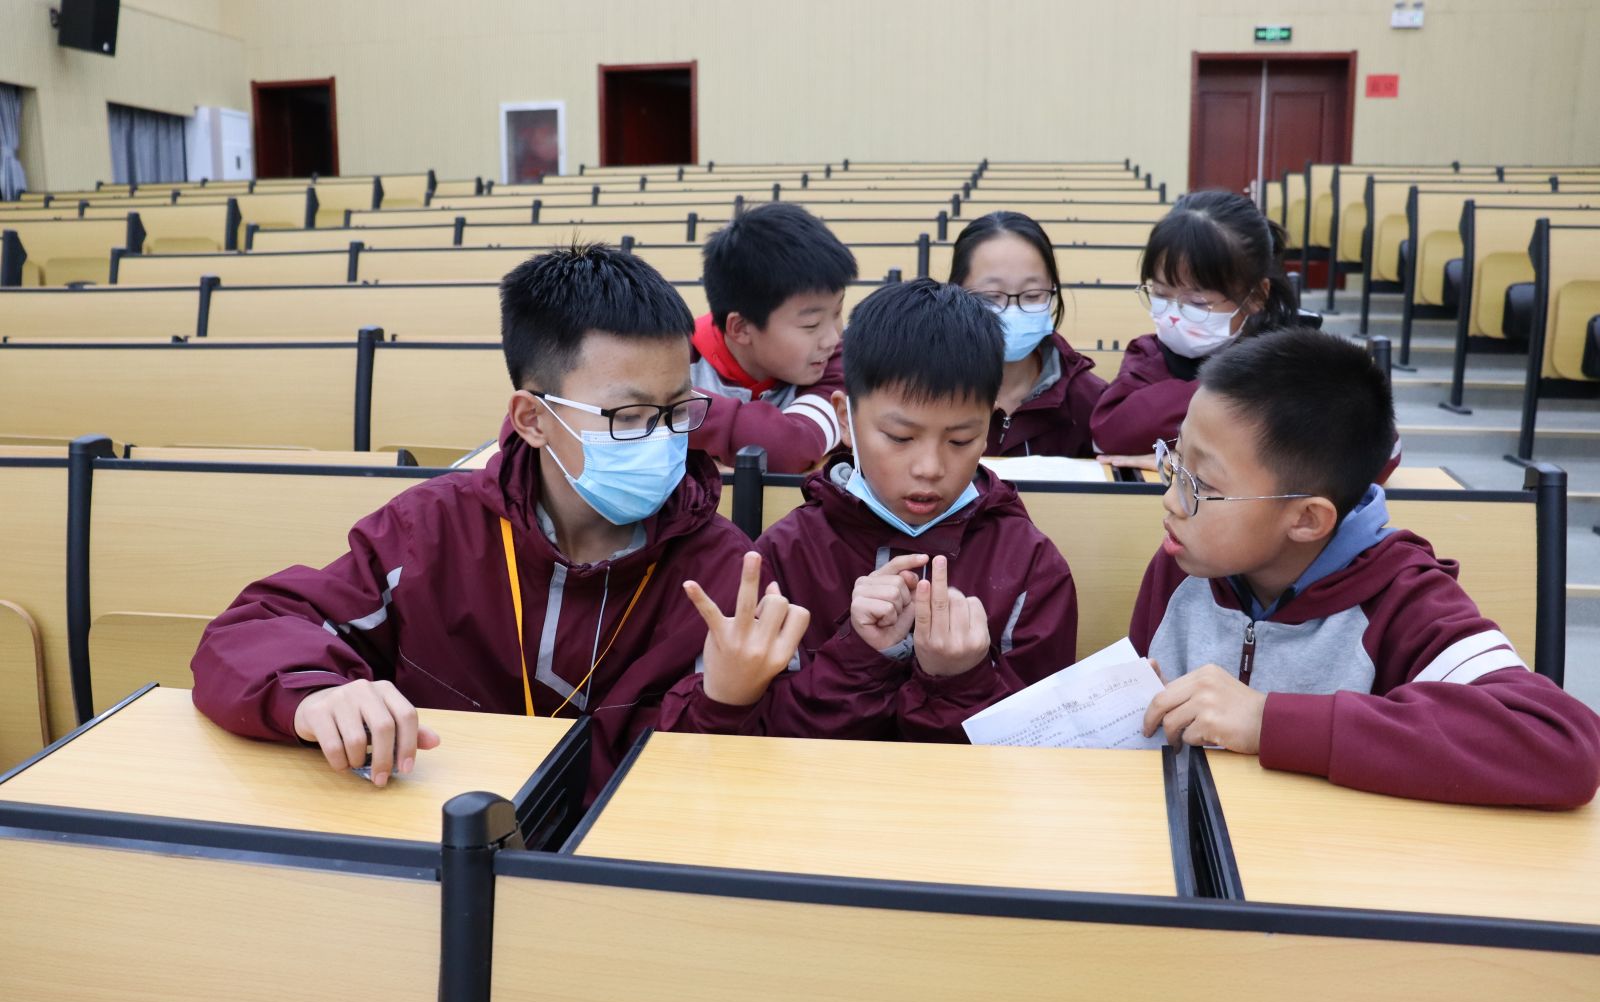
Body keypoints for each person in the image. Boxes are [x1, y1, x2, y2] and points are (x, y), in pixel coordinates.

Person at [192, 245, 808, 796]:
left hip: (621, 862)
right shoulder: (430, 531)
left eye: (678, 410)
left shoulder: (725, 574)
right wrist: (318, 693)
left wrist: (729, 699)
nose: (663, 437)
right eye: (628, 417)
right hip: (433, 844)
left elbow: (739, 786)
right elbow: (252, 630)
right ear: (533, 419)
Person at [1134, 328, 1599, 807]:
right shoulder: (1185, 564)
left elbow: (1562, 746)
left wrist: (1265, 721)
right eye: (1175, 461)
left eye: (1202, 484)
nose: (1171, 499)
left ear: (1307, 520)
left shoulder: (1402, 599)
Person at [663, 279, 1079, 741]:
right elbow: (762, 742)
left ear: (989, 428)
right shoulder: (786, 555)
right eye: (900, 437)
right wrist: (859, 656)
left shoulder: (1030, 565)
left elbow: (1045, 748)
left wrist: (962, 679)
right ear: (845, 418)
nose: (929, 468)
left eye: (961, 440)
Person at [1091, 190, 1297, 463]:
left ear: (1256, 296)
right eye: (1161, 294)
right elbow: (1109, 433)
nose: (1174, 315)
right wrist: (1234, 394)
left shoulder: (1289, 367)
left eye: (1198, 303)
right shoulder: (1148, 353)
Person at [688, 202, 859, 472]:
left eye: (837, 312)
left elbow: (791, 448)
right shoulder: (676, 358)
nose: (832, 339)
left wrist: (674, 406)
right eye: (811, 325)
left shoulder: (841, 363)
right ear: (741, 328)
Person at [948, 210, 1106, 457]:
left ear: (1052, 292)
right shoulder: (924, 390)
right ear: (956, 293)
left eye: (1032, 296)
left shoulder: (1089, 400)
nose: (1013, 311)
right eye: (992, 297)